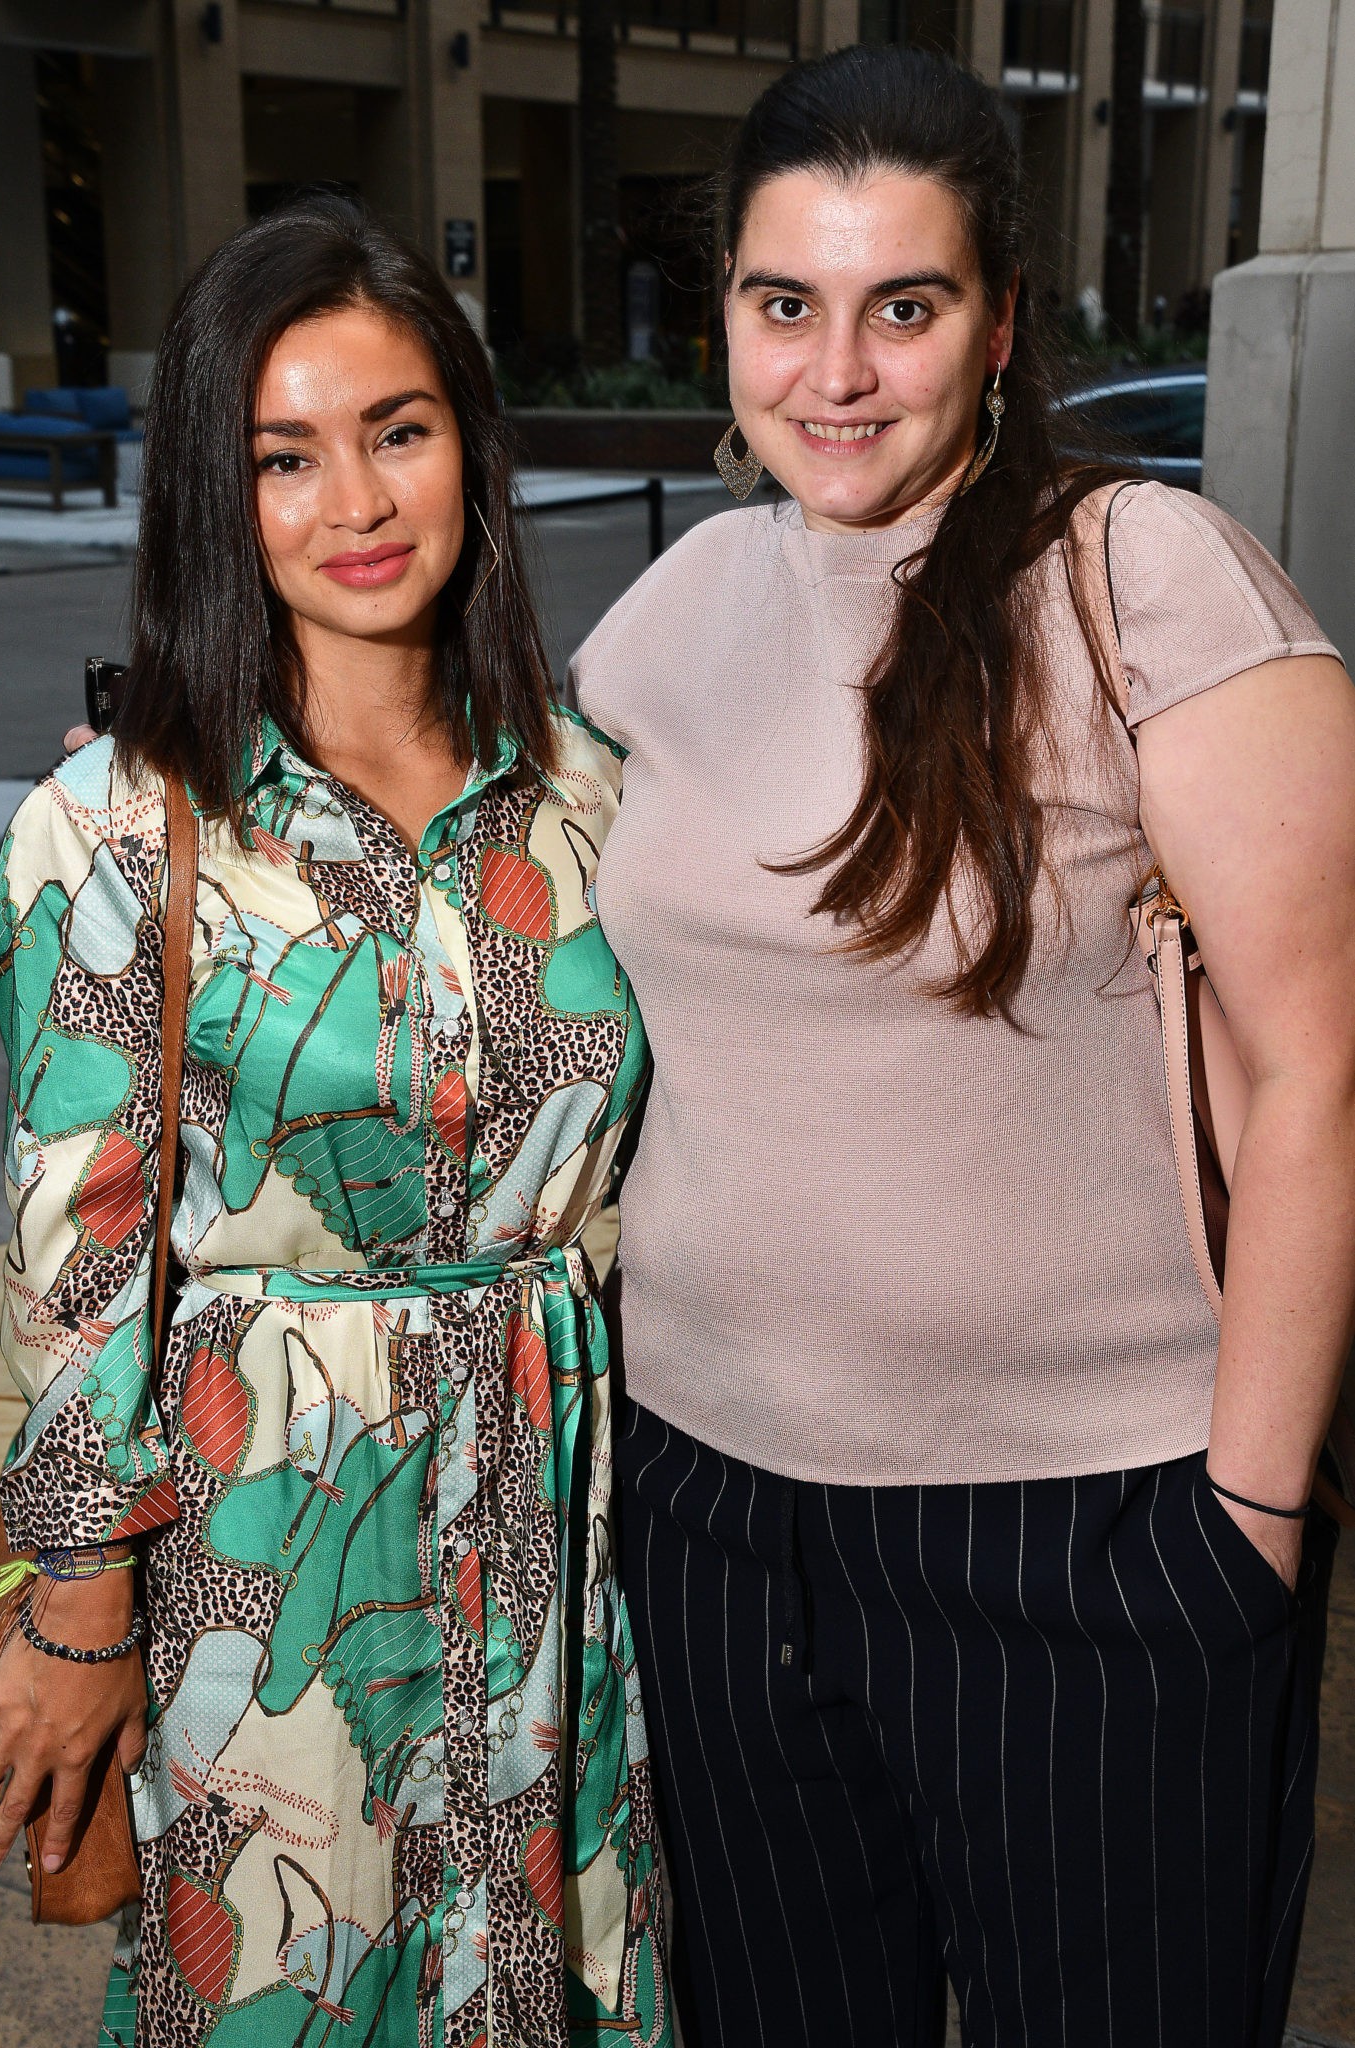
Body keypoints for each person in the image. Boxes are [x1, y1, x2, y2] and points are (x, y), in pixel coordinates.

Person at [572, 45, 1355, 2048]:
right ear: (724, 317)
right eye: (784, 303)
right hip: (707, 1518)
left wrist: (1249, 1521)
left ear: (997, 325)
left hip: (1083, 1531)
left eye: (900, 307)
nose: (835, 371)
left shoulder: (1145, 579)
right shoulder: (670, 608)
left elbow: (1316, 1074)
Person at [0, 197, 668, 2048]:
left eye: (396, 432)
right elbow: (81, 1264)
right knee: (287, 1990)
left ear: (469, 451)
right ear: (219, 490)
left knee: (540, 1985)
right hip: (261, 1549)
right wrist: (81, 1605)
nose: (354, 502)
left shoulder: (591, 796)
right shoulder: (115, 830)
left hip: (553, 1514)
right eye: (285, 456)